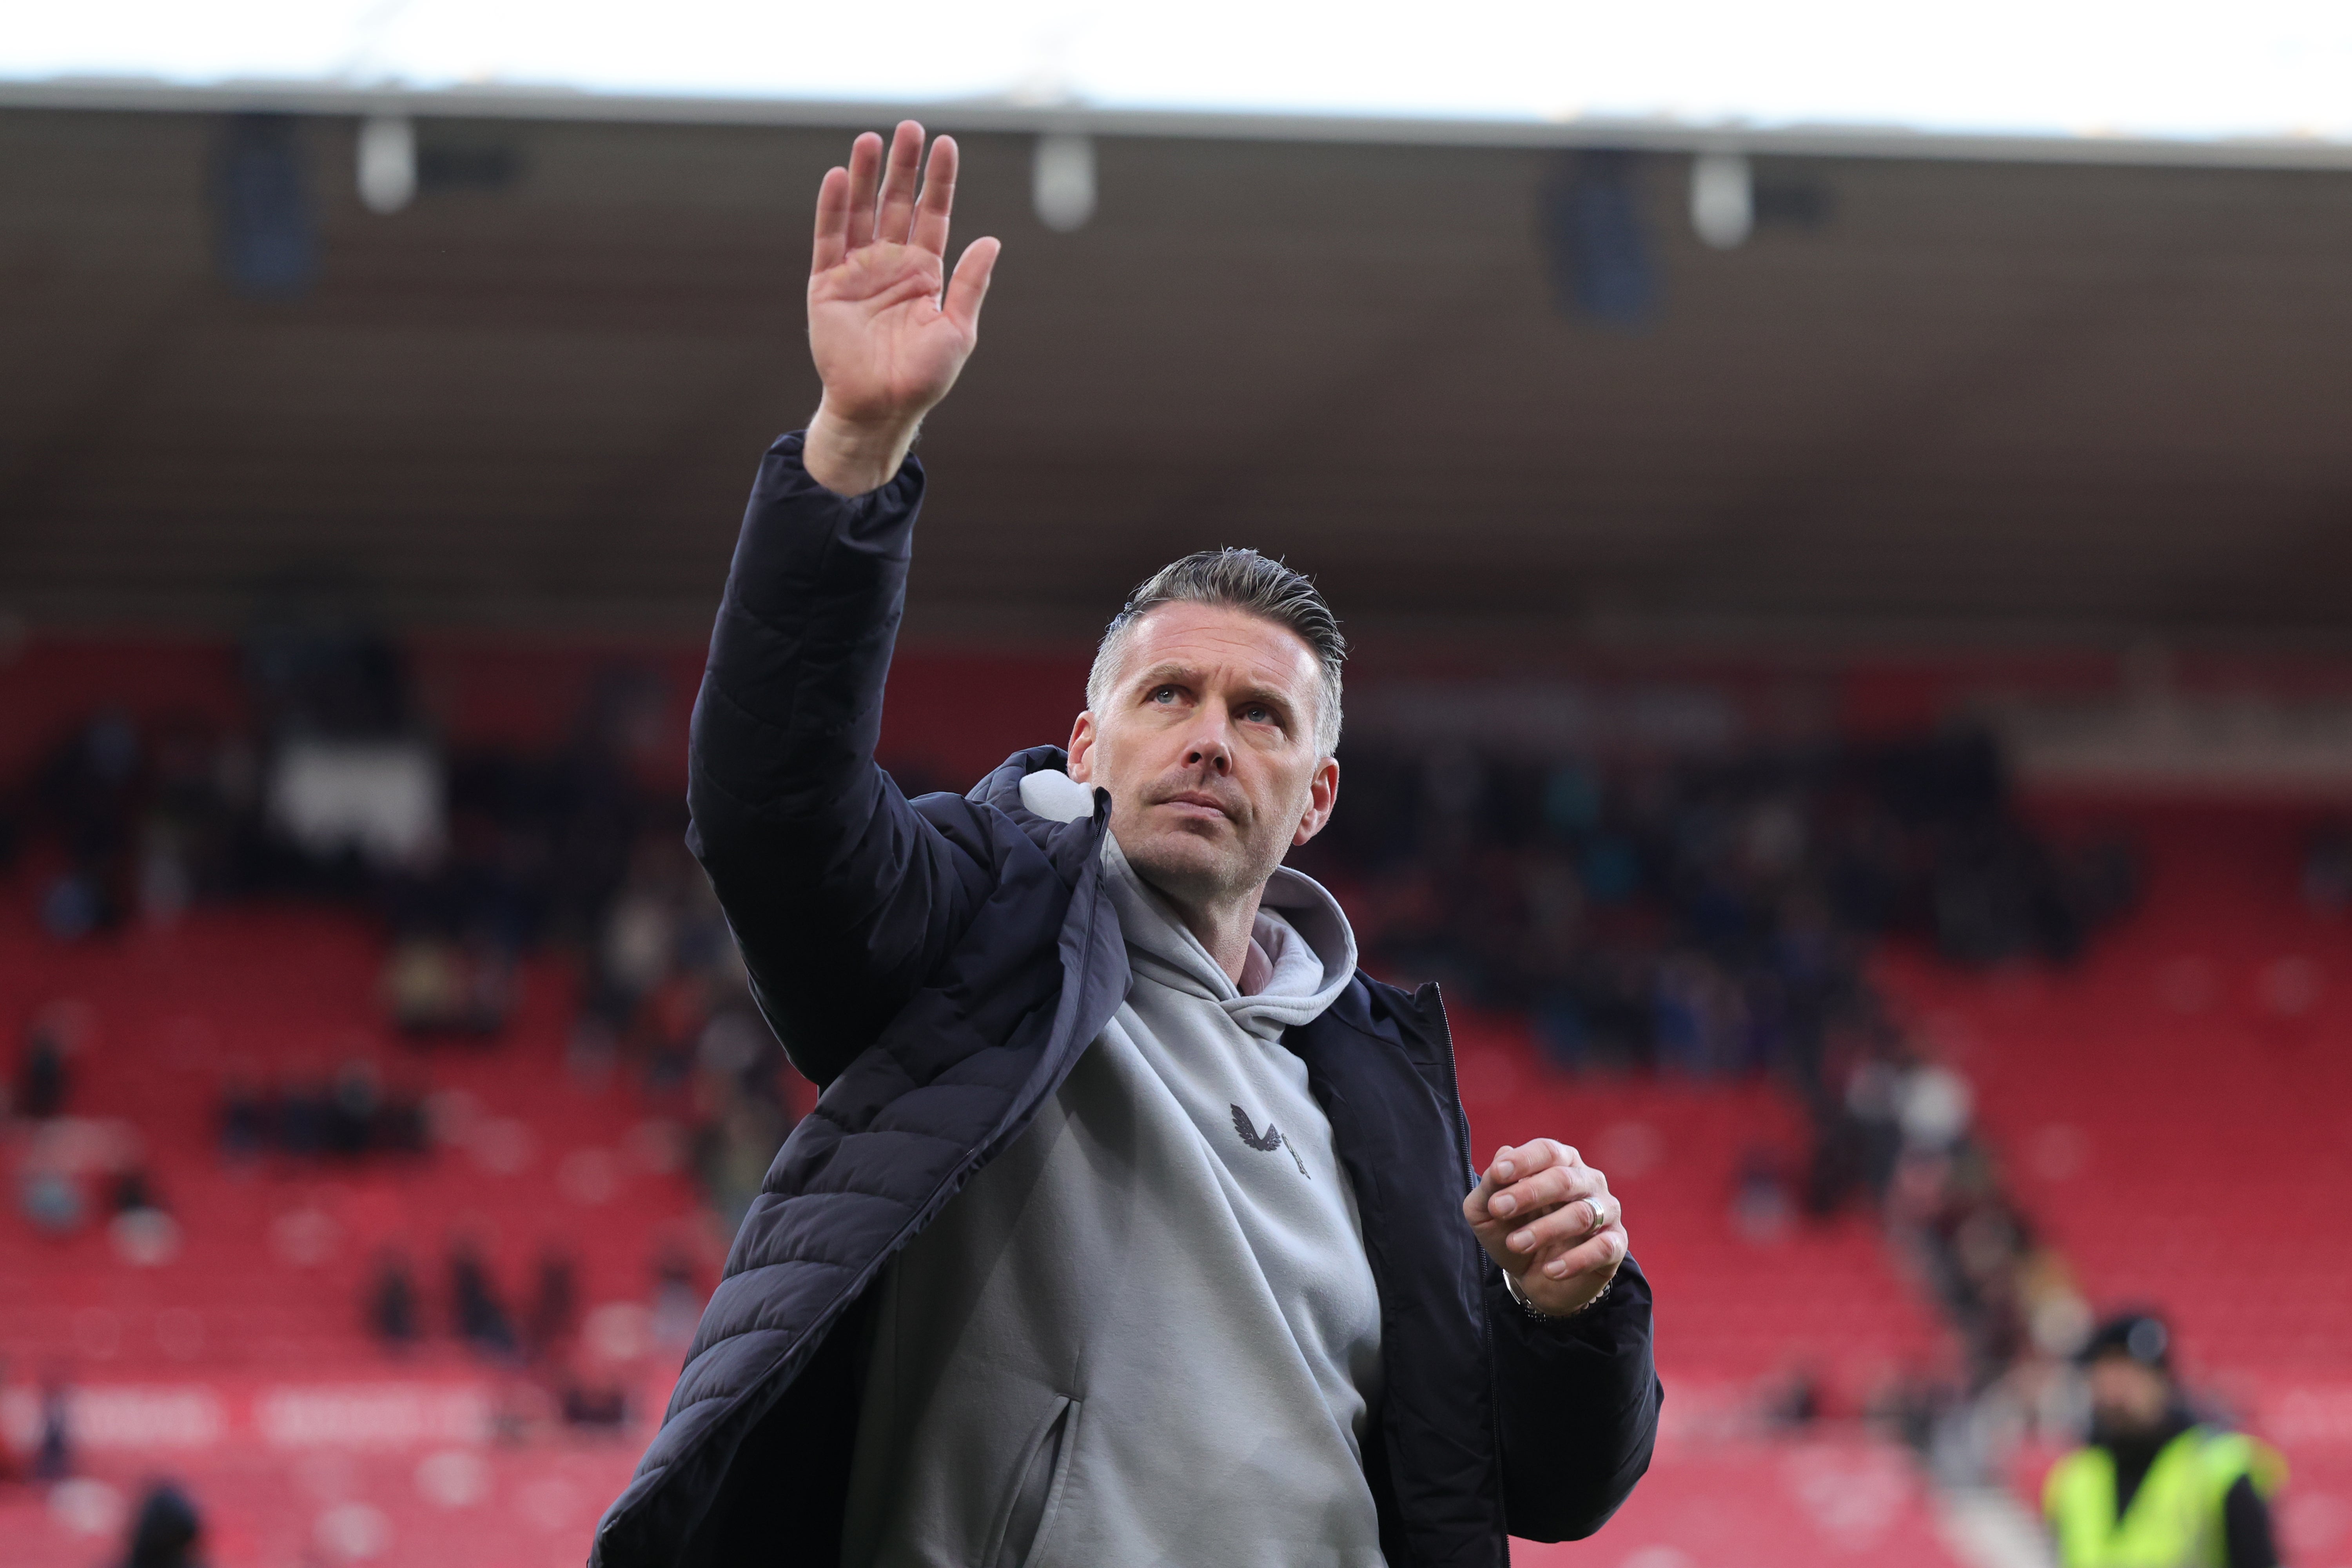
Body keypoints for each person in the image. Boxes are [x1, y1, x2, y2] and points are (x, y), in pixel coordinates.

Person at [591, 122, 1660, 1568]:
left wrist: (1572, 1309)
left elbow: (1541, 1487)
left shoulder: (1379, 1086)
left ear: (1317, 795)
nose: (1211, 734)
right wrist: (855, 449)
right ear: (1088, 747)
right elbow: (770, 814)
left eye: (1259, 715)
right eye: (1168, 695)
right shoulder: (977, 928)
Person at [2044, 1311, 2285, 1568]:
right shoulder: (2075, 1479)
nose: (2114, 1393)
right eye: (2104, 1376)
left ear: (2163, 1380)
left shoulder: (2219, 1470)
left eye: (2128, 1376)